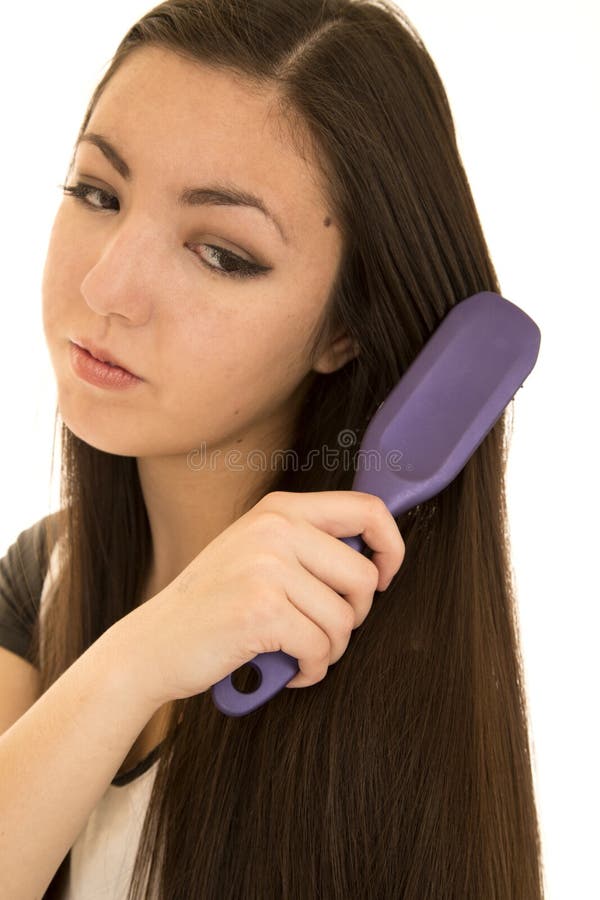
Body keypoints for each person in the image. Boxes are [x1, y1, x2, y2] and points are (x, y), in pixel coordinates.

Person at [0, 1, 545, 897]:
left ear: (343, 331)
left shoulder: (381, 690)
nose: (107, 288)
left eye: (220, 253)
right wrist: (140, 658)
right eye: (98, 194)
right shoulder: (45, 577)